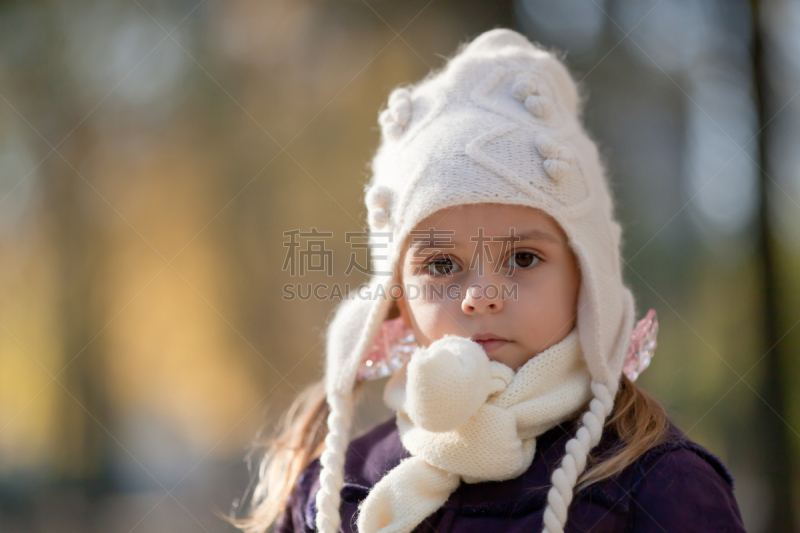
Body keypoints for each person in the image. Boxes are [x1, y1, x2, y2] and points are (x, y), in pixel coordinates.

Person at [232, 29, 748, 533]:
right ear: (398, 298)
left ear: (587, 279)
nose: (480, 296)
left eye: (523, 258)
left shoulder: (658, 488)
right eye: (440, 265)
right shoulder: (336, 489)